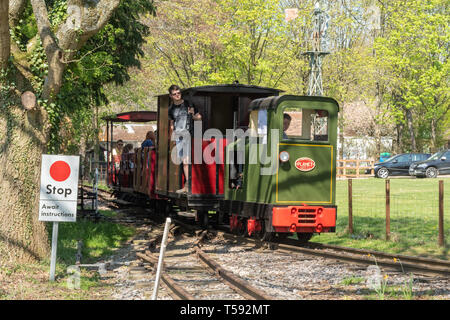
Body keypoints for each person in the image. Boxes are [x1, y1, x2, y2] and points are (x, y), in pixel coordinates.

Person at [168, 84, 202, 193]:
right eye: (175, 94)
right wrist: (172, 138)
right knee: (184, 161)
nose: (177, 95)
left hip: (188, 135)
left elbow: (199, 118)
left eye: (178, 93)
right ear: (171, 96)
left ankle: (189, 184)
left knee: (187, 161)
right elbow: (172, 124)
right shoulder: (171, 109)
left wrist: (193, 115)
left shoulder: (188, 104)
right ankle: (188, 184)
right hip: (178, 136)